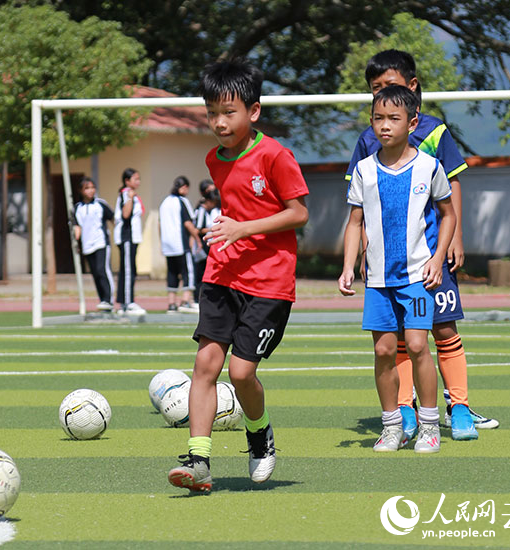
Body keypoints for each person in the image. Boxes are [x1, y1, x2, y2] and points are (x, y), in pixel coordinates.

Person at [167, 60, 309, 492]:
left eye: (229, 112)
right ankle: (199, 459)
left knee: (242, 374)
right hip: (222, 273)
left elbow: (299, 213)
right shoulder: (214, 158)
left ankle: (259, 433)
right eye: (212, 112)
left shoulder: (276, 156)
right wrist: (227, 233)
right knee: (206, 365)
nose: (219, 122)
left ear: (254, 111)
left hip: (269, 282)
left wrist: (242, 228)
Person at [346, 49, 498, 441]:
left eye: (391, 87)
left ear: (412, 88)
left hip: (430, 254)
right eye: (376, 92)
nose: (384, 100)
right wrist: (362, 250)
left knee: (442, 328)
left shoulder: (434, 132)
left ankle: (459, 406)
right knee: (399, 339)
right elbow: (361, 207)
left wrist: (456, 236)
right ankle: (404, 410)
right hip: (386, 264)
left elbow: (452, 186)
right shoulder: (367, 141)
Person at [339, 85, 456, 453]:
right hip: (377, 279)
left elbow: (448, 215)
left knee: (419, 345)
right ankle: (392, 425)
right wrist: (347, 267)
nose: (384, 126)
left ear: (413, 122)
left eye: (393, 118)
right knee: (384, 351)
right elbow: (354, 222)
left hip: (418, 276)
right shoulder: (363, 170)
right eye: (378, 118)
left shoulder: (428, 166)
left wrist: (438, 260)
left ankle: (429, 426)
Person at [159, 176, 201, 313]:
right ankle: (185, 301)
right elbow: (188, 223)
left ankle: (171, 303)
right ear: (184, 187)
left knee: (172, 273)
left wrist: (162, 242)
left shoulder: (164, 202)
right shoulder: (182, 201)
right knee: (188, 271)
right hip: (180, 243)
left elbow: (159, 224)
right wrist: (197, 238)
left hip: (167, 245)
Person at [73, 177, 115, 311]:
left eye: (92, 187)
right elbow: (77, 227)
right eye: (87, 188)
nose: (90, 191)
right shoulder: (77, 208)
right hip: (87, 245)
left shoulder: (100, 204)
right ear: (81, 190)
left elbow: (113, 219)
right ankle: (102, 300)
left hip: (101, 243)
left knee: (102, 270)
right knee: (95, 273)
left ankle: (109, 299)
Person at [113, 168, 146, 316]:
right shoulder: (127, 194)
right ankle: (128, 303)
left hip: (133, 238)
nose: (138, 182)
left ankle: (124, 302)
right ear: (127, 181)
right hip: (127, 237)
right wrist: (130, 198)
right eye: (135, 179)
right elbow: (126, 214)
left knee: (130, 269)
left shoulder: (131, 194)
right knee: (127, 271)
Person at [192, 189, 220, 301]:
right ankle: (197, 298)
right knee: (201, 272)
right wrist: (214, 229)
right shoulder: (202, 210)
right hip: (204, 245)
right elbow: (198, 229)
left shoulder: (212, 210)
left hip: (210, 244)